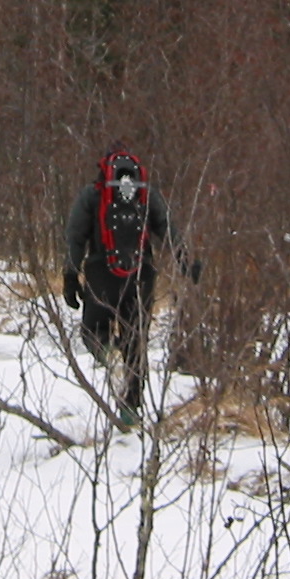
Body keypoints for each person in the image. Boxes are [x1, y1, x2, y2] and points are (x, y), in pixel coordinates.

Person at [64, 142, 197, 427]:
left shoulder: (93, 194)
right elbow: (168, 228)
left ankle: (105, 351)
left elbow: (75, 235)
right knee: (135, 344)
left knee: (92, 329)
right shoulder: (146, 195)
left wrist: (70, 275)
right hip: (141, 277)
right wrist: (186, 262)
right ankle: (131, 409)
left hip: (101, 274)